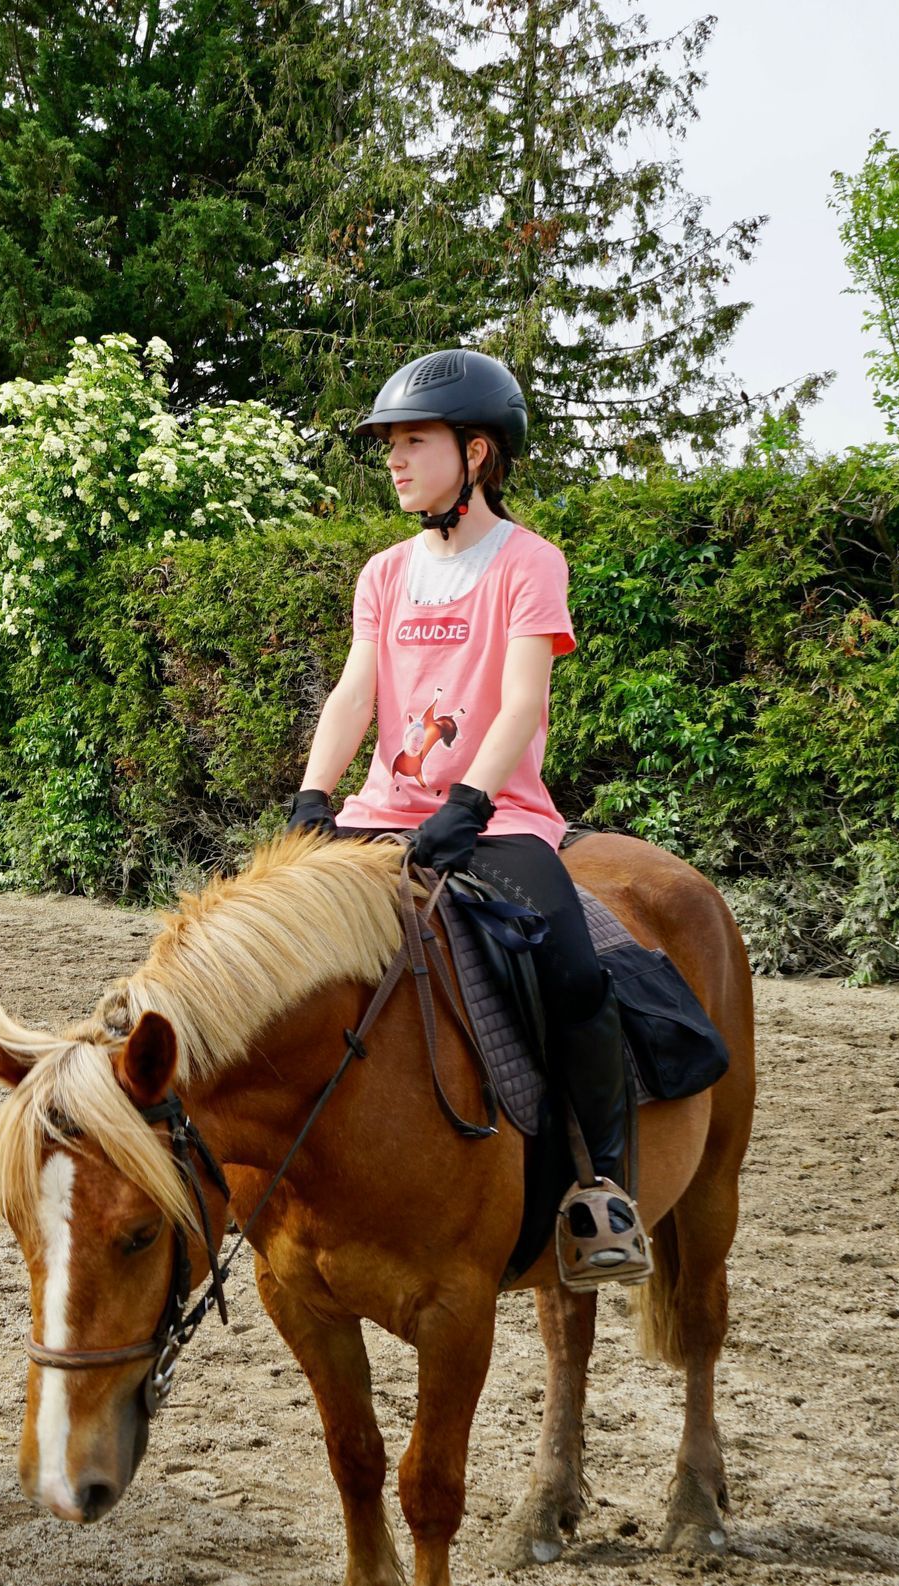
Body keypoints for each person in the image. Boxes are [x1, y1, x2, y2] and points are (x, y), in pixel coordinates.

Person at [285, 350, 650, 1289]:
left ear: (476, 453)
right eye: (390, 444)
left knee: (573, 969)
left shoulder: (529, 562)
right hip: (379, 814)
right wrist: (314, 797)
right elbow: (355, 692)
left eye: (414, 441)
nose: (394, 459)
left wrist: (469, 803)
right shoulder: (383, 573)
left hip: (498, 817)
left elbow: (522, 701)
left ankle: (604, 1191)